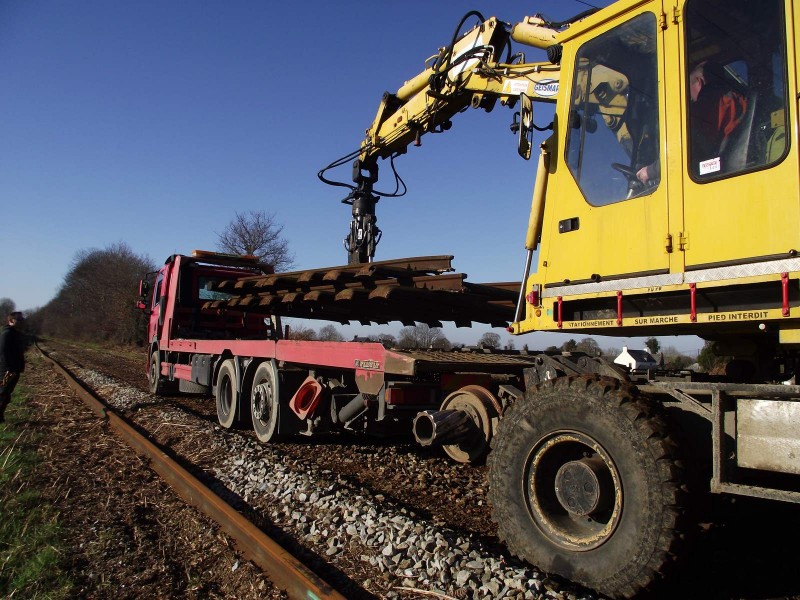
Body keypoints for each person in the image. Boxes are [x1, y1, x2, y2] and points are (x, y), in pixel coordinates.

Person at [636, 60, 748, 183]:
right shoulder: (740, 99)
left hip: (720, 175)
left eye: (689, 88)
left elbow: (681, 150)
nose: (690, 97)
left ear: (699, 82)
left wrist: (650, 171)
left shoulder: (709, 105)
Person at [0, 312, 26, 423]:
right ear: (11, 321)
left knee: (6, 394)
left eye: (21, 320)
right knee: (3, 393)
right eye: (18, 320)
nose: (21, 322)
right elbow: (3, 353)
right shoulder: (7, 334)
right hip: (7, 370)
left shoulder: (14, 334)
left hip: (13, 369)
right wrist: (9, 368)